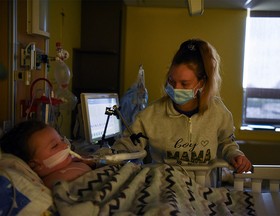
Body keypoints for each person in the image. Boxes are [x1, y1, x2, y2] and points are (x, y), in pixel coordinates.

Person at [112, 38, 252, 176]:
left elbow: (226, 142)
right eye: (171, 81)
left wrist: (236, 155)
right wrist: (99, 159)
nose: (175, 88)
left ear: (202, 83)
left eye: (184, 84)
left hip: (203, 191)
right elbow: (126, 145)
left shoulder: (218, 112)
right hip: (165, 189)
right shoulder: (150, 115)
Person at [0, 120, 92, 189]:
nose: (65, 145)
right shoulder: (53, 181)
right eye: (55, 145)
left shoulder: (74, 160)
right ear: (36, 165)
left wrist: (97, 162)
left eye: (61, 140)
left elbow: (101, 161)